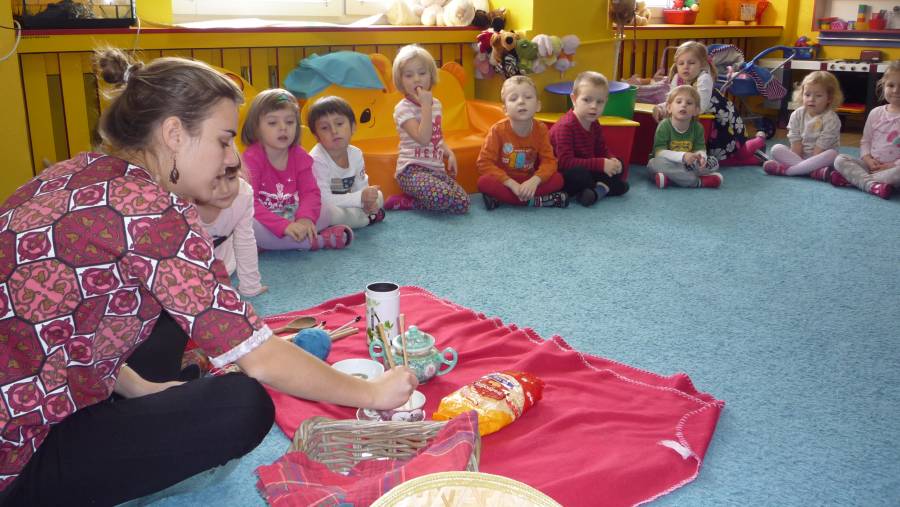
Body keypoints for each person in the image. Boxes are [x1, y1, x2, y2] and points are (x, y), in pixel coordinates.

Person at [0, 48, 417, 506]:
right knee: (242, 404)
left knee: (170, 315)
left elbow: (71, 321)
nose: (231, 156)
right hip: (18, 454)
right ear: (174, 134)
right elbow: (260, 356)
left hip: (33, 381)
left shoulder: (72, 170)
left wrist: (142, 389)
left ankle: (121, 408)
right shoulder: (153, 212)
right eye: (223, 140)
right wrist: (372, 393)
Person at [241, 88, 354, 250]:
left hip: (292, 213)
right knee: (247, 224)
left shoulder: (300, 155)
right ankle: (317, 241)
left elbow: (310, 192)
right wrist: (283, 226)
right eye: (272, 123)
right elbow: (249, 203)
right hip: (264, 218)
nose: (283, 128)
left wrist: (305, 219)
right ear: (256, 128)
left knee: (325, 210)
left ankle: (274, 243)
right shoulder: (251, 158)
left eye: (289, 122)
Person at [383, 44, 470, 214]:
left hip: (435, 169)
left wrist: (449, 153)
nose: (416, 79)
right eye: (409, 75)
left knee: (463, 203)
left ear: (431, 75)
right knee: (443, 196)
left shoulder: (436, 104)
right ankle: (405, 202)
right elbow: (423, 138)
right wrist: (425, 106)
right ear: (400, 80)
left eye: (422, 73)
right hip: (411, 171)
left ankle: (419, 201)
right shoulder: (403, 109)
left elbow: (436, 136)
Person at [653, 41, 766, 166]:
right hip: (704, 121)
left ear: (701, 64)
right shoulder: (677, 78)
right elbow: (672, 100)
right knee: (720, 158)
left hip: (722, 120)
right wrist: (662, 107)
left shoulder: (704, 78)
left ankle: (760, 142)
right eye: (681, 63)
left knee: (739, 152)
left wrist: (679, 110)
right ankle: (757, 153)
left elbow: (701, 106)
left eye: (691, 63)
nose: (686, 67)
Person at [476, 75, 568, 210]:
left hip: (529, 180)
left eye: (528, 97)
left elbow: (549, 161)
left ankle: (504, 199)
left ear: (538, 105)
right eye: (513, 98)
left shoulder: (541, 129)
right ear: (505, 110)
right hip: (505, 181)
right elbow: (483, 163)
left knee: (558, 179)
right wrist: (510, 183)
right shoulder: (497, 130)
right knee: (483, 182)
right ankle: (538, 201)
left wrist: (535, 180)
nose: (521, 102)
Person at [549, 71, 629, 207]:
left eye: (600, 102)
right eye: (587, 100)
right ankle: (602, 188)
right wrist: (601, 164)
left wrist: (611, 159)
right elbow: (565, 163)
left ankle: (595, 191)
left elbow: (601, 150)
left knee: (620, 164)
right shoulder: (565, 126)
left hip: (587, 166)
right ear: (574, 99)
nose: (594, 106)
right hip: (562, 172)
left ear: (606, 102)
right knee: (580, 175)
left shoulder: (594, 123)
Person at [308, 96, 386, 228]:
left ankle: (363, 215)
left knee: (378, 195)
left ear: (353, 127)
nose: (334, 131)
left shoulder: (356, 154)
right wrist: (360, 198)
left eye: (339, 124)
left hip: (347, 201)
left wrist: (368, 201)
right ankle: (366, 219)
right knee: (329, 213)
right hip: (324, 204)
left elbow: (360, 185)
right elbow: (324, 199)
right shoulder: (317, 159)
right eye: (325, 128)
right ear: (316, 136)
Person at [196, 155, 267, 297]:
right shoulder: (181, 203)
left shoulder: (243, 194)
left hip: (226, 265)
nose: (225, 189)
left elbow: (245, 240)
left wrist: (251, 287)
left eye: (231, 178)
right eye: (214, 182)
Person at [831, 60, 900, 200]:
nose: (895, 90)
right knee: (840, 159)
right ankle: (872, 185)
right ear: (883, 86)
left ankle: (855, 180)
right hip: (871, 166)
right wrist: (868, 159)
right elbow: (866, 141)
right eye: (891, 85)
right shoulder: (875, 113)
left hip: (893, 169)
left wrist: (892, 165)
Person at [763, 71, 843, 180]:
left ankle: (788, 171)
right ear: (802, 94)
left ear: (829, 98)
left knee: (832, 154)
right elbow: (795, 142)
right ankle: (813, 172)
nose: (811, 99)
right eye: (807, 94)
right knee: (776, 149)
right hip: (799, 157)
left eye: (818, 95)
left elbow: (821, 147)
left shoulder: (831, 119)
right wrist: (800, 160)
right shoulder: (797, 114)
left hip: (821, 159)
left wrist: (810, 163)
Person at [648, 85, 723, 189]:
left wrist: (701, 157)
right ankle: (698, 182)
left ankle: (670, 179)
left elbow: (700, 149)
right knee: (654, 164)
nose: (683, 105)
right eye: (679, 102)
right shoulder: (664, 126)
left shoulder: (698, 127)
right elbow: (659, 153)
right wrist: (683, 156)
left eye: (689, 103)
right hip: (668, 163)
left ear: (696, 110)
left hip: (688, 165)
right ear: (669, 108)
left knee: (714, 161)